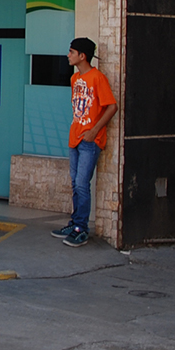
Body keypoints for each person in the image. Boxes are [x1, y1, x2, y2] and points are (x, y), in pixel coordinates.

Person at [51, 37, 117, 248]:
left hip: (90, 140)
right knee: (75, 184)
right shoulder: (75, 79)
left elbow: (112, 106)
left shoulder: (97, 78)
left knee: (82, 183)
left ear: (82, 55)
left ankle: (81, 229)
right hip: (75, 137)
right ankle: (74, 223)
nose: (68, 55)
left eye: (72, 52)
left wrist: (94, 131)